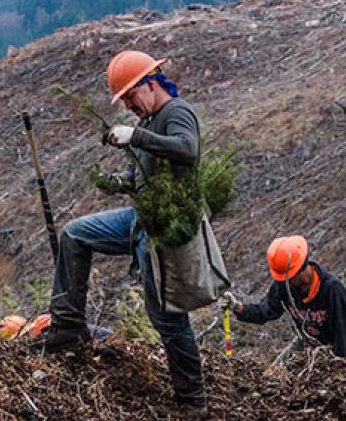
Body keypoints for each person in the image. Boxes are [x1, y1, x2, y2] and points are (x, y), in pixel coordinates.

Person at [38, 50, 208, 414]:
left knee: (166, 315)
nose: (129, 105)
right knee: (75, 234)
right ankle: (67, 326)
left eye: (131, 96)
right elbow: (140, 178)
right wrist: (115, 181)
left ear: (149, 84)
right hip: (140, 218)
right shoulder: (148, 122)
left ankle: (192, 403)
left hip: (165, 227)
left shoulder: (177, 112)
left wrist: (135, 137)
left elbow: (188, 151)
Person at [222, 236, 346, 357]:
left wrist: (335, 367)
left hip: (334, 355)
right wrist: (238, 307)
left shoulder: (332, 290)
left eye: (288, 278)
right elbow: (265, 311)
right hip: (310, 348)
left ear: (301, 269)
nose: (285, 282)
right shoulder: (283, 286)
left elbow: (343, 337)